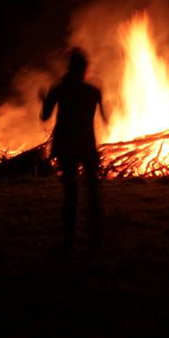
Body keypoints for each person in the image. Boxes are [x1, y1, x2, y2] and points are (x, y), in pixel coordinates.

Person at [40, 47, 108, 254]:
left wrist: (43, 100)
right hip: (87, 145)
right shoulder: (93, 91)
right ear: (84, 70)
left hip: (66, 145)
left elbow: (44, 116)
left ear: (70, 67)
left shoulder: (59, 89)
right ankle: (96, 241)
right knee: (93, 192)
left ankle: (69, 242)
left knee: (71, 193)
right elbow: (105, 118)